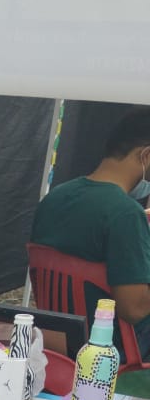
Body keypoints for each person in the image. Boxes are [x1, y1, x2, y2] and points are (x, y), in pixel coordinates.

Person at [30, 107, 150, 357]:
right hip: (111, 350)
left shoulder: (54, 198)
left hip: (59, 339)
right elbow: (134, 309)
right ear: (146, 156)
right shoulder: (125, 213)